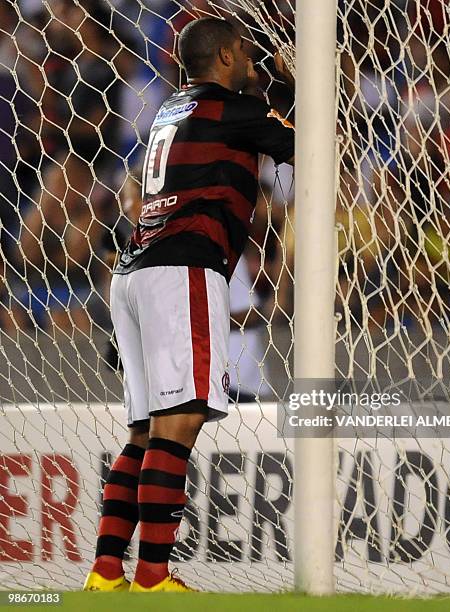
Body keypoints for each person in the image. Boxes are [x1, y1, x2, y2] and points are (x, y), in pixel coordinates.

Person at [83, 16, 294, 592]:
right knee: (178, 424)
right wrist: (290, 82)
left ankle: (106, 571)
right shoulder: (234, 110)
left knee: (146, 429)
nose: (253, 61)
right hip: (183, 268)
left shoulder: (168, 112)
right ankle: (153, 574)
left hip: (134, 270)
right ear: (226, 56)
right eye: (247, 52)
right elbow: (306, 145)